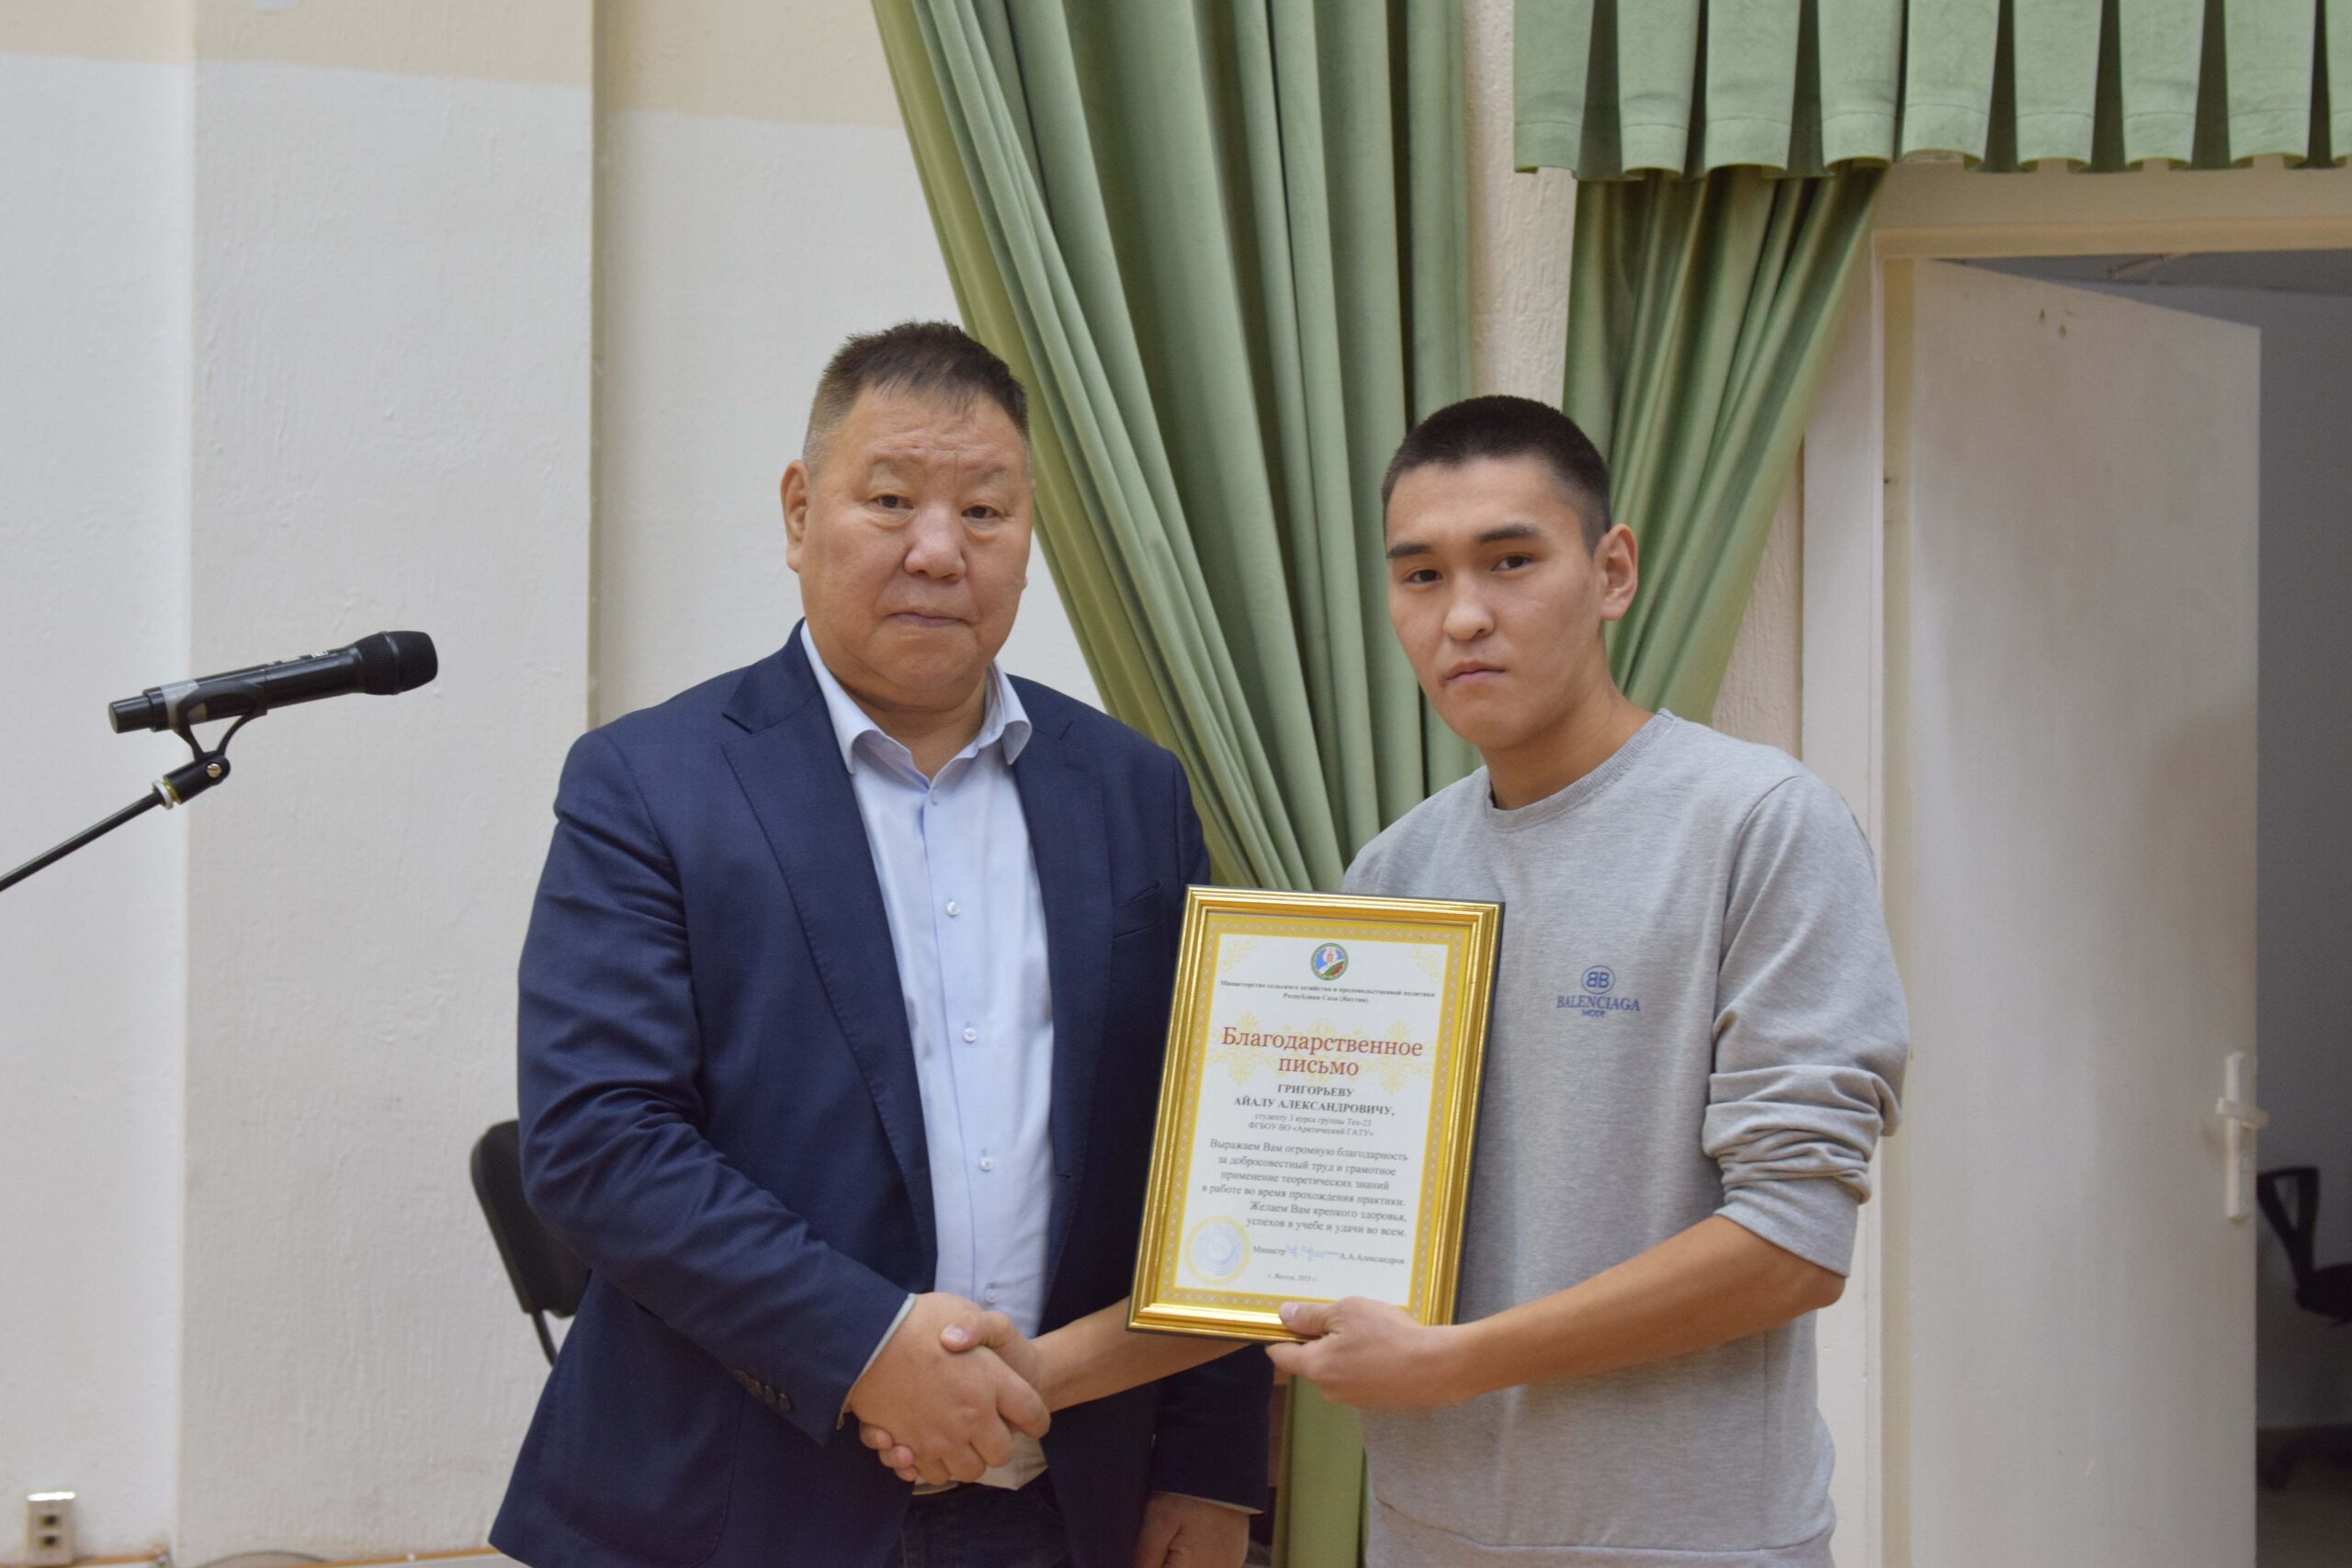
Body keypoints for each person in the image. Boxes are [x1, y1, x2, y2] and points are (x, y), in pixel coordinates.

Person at [867, 393, 1905, 1568]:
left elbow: (1789, 1243)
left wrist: (1458, 1362)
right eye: (1420, 576)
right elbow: (1290, 1250)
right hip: (1425, 1535)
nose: (1463, 615)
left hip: (1693, 1545)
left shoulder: (1759, 825)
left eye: (1511, 561)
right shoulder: (1396, 874)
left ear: (1611, 571)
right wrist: (1034, 1373)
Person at [490, 321, 1266, 1568]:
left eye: (986, 510)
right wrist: (865, 1344)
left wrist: (1210, 1464)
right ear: (801, 513)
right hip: (734, 1505)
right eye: (891, 500)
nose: (939, 550)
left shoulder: (1133, 791)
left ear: (1029, 536)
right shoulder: (651, 783)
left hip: (1060, 1504)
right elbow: (598, 1138)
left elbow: (1207, 1143)